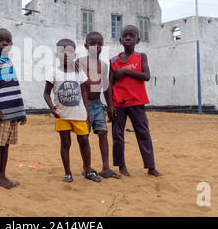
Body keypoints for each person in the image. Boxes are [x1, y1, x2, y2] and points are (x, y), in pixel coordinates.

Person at [43, 38, 102, 183]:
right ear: (57, 54)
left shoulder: (78, 72)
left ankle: (87, 170)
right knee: (65, 143)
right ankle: (68, 173)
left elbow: (84, 92)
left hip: (79, 114)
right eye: (62, 51)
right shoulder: (53, 72)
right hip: (62, 115)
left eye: (69, 51)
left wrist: (88, 112)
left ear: (74, 53)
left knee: (84, 140)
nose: (66, 54)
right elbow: (46, 93)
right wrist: (52, 108)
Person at [108, 25, 162, 177]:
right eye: (125, 35)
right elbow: (109, 84)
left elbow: (146, 76)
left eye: (132, 36)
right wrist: (110, 105)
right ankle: (121, 166)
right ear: (120, 40)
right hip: (119, 104)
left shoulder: (141, 57)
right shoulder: (113, 61)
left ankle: (151, 167)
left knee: (143, 133)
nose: (128, 38)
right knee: (117, 135)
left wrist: (126, 71)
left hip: (137, 102)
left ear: (137, 40)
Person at [0, 28, 27, 189]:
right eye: (0, 40)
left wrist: (21, 113)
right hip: (0, 111)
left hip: (11, 112)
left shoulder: (8, 62)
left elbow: (14, 89)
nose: (4, 43)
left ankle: (2, 175)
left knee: (6, 145)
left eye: (8, 40)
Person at [77, 31, 120, 179]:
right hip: (83, 105)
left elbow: (106, 87)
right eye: (92, 44)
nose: (96, 46)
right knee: (84, 136)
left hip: (97, 104)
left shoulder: (104, 65)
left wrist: (110, 105)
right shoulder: (80, 62)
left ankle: (105, 168)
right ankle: (86, 167)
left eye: (99, 44)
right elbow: (78, 84)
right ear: (86, 46)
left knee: (103, 133)